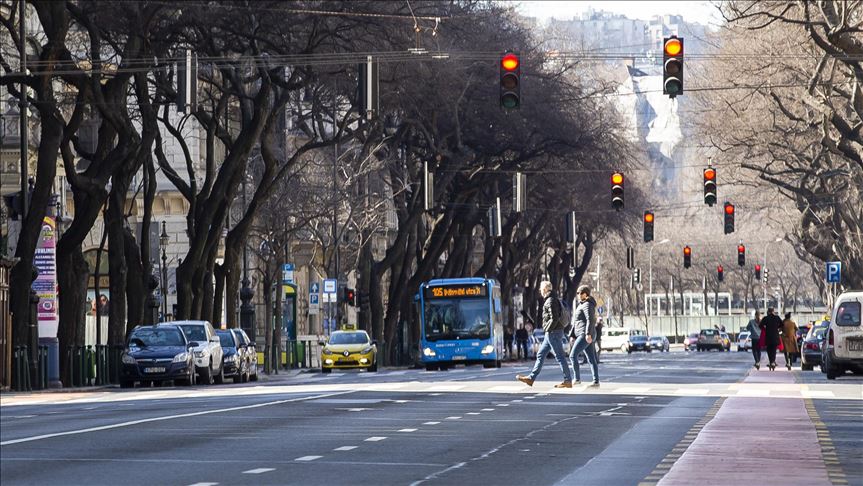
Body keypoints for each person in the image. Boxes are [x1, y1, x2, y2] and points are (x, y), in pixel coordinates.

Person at [516, 281, 573, 388]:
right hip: (552, 333)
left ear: (546, 289)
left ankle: (568, 380)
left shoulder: (550, 301)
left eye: (541, 289)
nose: (540, 291)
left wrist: (547, 328)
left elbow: (554, 318)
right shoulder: (552, 299)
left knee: (560, 356)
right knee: (540, 355)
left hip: (553, 332)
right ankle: (531, 378)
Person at [568, 285, 600, 387]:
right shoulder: (582, 304)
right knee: (591, 358)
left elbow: (590, 319)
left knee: (572, 355)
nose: (578, 295)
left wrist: (588, 334)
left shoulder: (587, 304)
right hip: (582, 333)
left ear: (585, 294)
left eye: (580, 293)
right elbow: (576, 322)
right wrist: (572, 335)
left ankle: (577, 379)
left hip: (585, 334)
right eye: (577, 293)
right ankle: (596, 381)